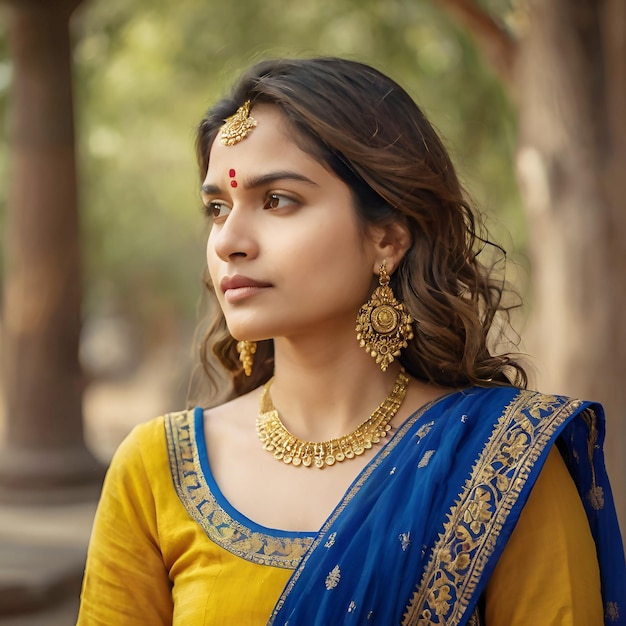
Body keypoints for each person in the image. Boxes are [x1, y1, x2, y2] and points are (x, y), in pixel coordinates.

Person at [77, 57, 626, 626]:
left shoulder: (501, 465)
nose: (229, 242)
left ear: (387, 237)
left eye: (277, 201)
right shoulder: (156, 469)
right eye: (218, 208)